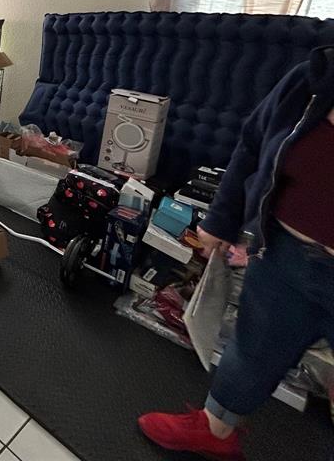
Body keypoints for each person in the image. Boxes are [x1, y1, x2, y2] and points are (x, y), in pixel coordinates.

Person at [138, 45, 334, 460]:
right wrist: (220, 222)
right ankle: (216, 429)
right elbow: (252, 145)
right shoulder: (312, 79)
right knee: (253, 351)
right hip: (284, 253)